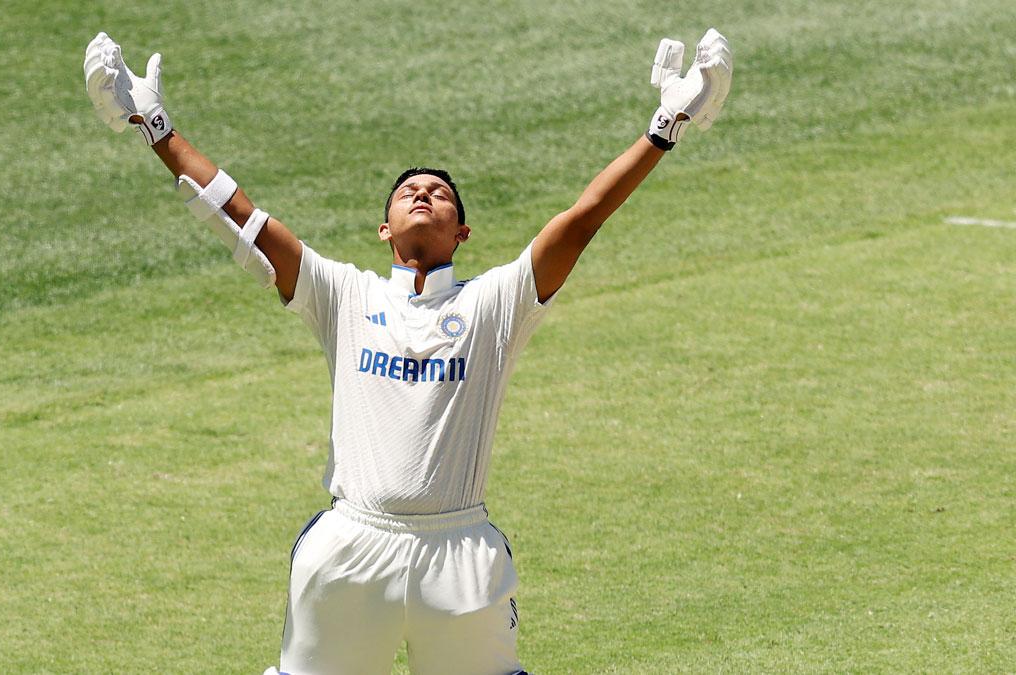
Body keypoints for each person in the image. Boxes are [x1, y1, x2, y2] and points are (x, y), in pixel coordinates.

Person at [84, 27, 732, 675]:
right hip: (350, 549)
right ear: (385, 227)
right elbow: (244, 221)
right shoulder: (343, 294)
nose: (424, 193)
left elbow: (584, 216)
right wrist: (155, 127)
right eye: (408, 191)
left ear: (464, 231)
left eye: (441, 193)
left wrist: (664, 128)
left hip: (460, 557)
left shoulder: (495, 304)